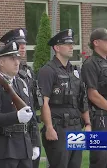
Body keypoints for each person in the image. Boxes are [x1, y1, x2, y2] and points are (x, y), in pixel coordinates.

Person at [37, 29, 91, 168]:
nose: (71, 46)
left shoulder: (75, 71)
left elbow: (82, 99)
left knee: (75, 164)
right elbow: (44, 102)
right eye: (67, 44)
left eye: (72, 43)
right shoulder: (48, 71)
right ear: (57, 47)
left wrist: (88, 124)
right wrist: (49, 127)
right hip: (59, 128)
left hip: (76, 127)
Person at [0, 40, 39, 168]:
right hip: (6, 147)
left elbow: (31, 116)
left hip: (25, 146)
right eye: (12, 58)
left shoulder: (21, 83)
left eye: (18, 58)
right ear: (1, 62)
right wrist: (16, 116)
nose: (17, 62)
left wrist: (35, 143)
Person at [0, 28, 42, 168]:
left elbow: (31, 106)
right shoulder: (2, 73)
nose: (23, 47)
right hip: (9, 138)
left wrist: (35, 141)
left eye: (24, 43)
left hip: (28, 131)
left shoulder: (27, 71)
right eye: (19, 44)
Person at [81, 28, 107, 168]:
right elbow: (92, 95)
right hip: (101, 120)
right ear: (96, 43)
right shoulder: (90, 64)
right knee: (100, 160)